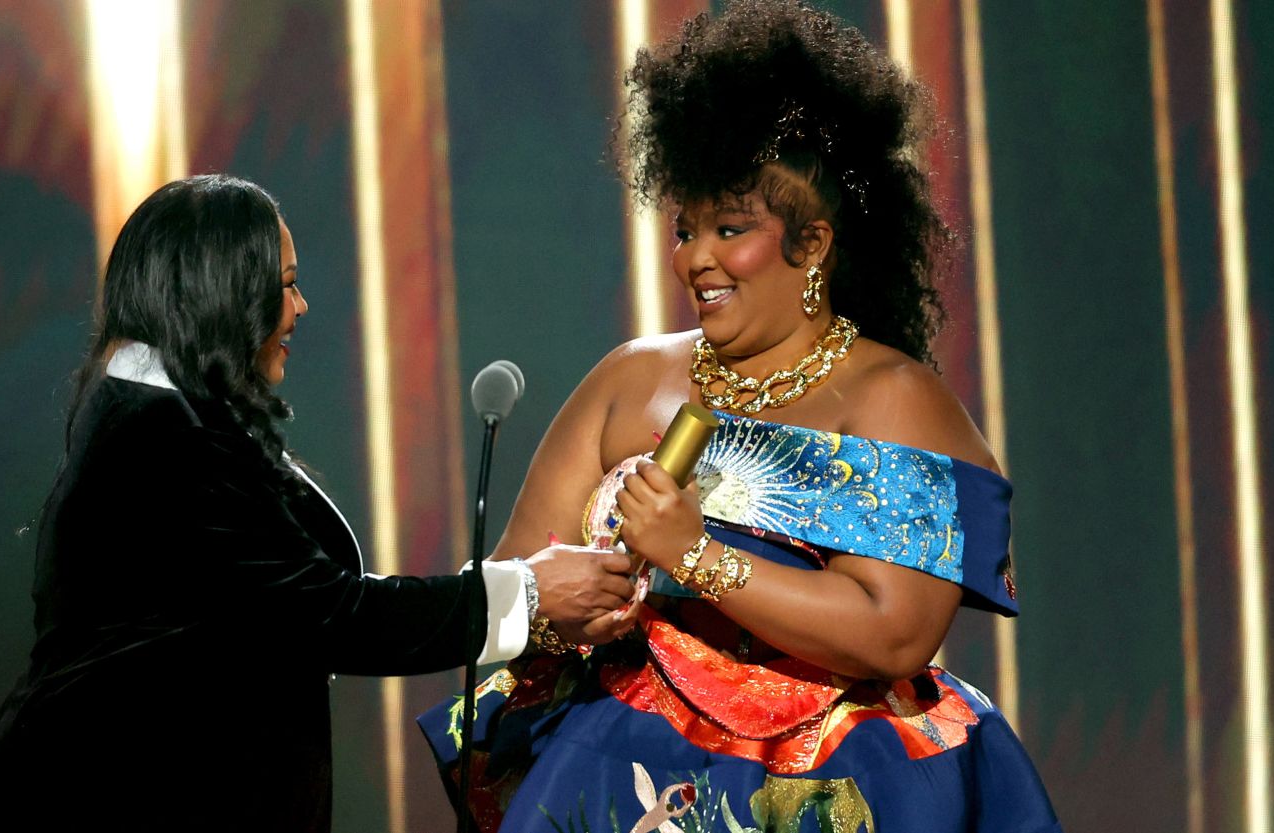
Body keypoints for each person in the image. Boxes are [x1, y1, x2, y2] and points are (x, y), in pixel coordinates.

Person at [419, 3, 1059, 831]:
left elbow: (896, 633)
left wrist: (695, 551)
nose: (694, 256)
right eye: (686, 228)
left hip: (838, 783)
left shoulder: (895, 399)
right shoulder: (631, 379)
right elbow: (520, 577)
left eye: (730, 228)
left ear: (814, 242)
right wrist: (582, 602)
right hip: (618, 763)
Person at [0, 174, 637, 832]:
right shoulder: (165, 444)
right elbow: (328, 613)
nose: (300, 306)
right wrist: (524, 593)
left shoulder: (159, 418)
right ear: (227, 294)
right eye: (284, 285)